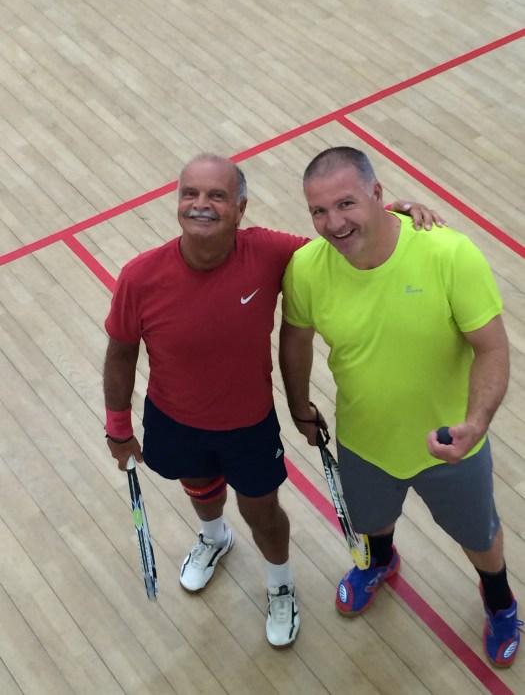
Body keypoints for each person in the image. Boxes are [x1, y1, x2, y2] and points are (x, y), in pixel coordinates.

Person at [103, 152, 443, 648]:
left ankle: (280, 582)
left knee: (263, 513)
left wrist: (388, 214)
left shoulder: (268, 252)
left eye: (217, 195)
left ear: (240, 209)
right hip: (174, 422)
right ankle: (214, 538)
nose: (201, 205)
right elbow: (120, 353)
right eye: (190, 194)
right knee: (200, 490)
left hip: (248, 428)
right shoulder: (140, 276)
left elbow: (339, 243)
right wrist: (117, 428)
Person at [279, 146, 522, 667]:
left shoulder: (448, 253)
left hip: (451, 445)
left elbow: (492, 348)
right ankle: (380, 563)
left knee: (479, 536)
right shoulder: (306, 267)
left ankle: (500, 601)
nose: (333, 223)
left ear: (377, 194)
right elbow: (295, 339)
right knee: (372, 521)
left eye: (346, 204)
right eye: (318, 211)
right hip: (363, 441)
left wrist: (475, 423)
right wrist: (299, 407)